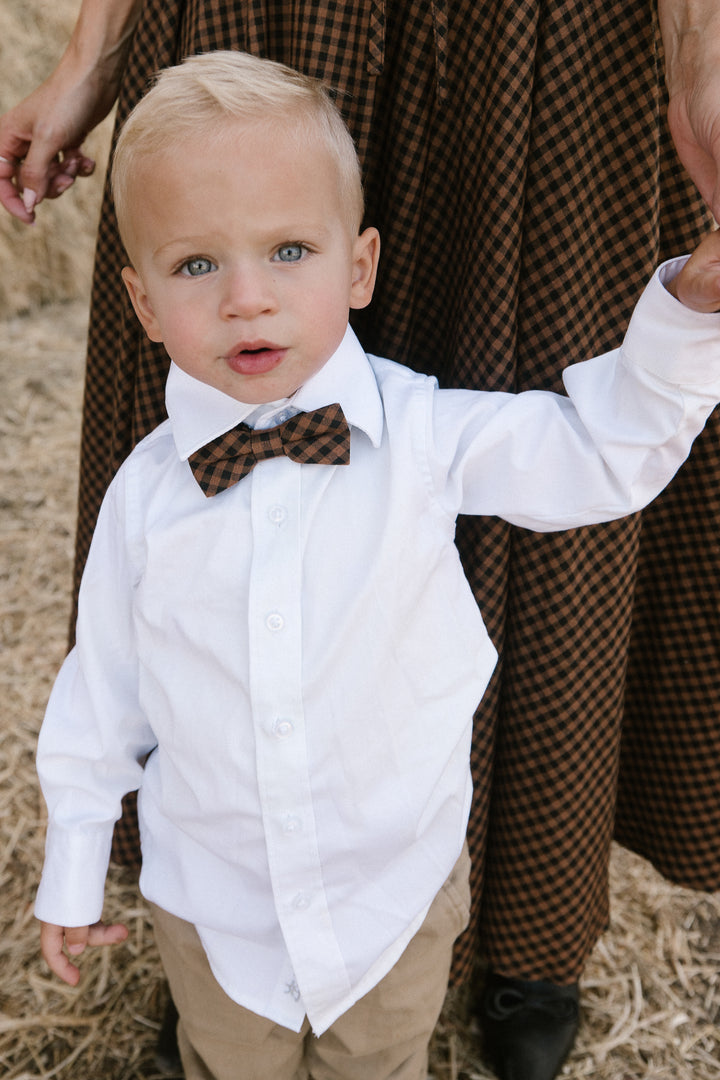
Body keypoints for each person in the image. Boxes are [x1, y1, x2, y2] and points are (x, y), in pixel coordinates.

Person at [5, 4, 720, 1079]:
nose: (249, 298)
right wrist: (69, 865)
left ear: (361, 267)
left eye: (289, 250)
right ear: (140, 304)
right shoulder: (145, 497)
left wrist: (691, 316)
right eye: (197, 266)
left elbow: (600, 453)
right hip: (217, 912)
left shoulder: (429, 434)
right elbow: (99, 696)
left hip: (393, 899)